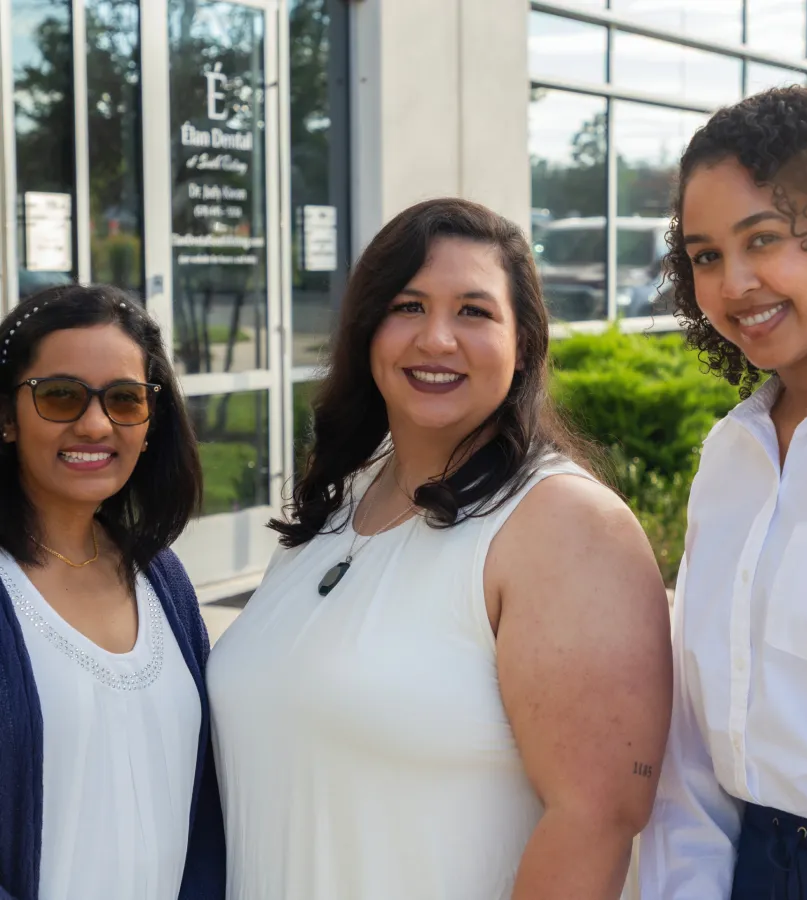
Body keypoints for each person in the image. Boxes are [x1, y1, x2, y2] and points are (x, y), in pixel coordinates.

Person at [207, 197, 673, 899]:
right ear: (368, 331)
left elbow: (597, 820)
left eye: (474, 312)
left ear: (524, 346)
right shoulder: (345, 496)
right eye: (408, 306)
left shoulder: (564, 525)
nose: (437, 339)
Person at [638, 84, 807, 900]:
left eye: (766, 239)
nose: (735, 282)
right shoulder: (729, 456)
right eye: (706, 255)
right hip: (741, 864)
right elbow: (693, 723)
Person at [0, 284, 225, 899]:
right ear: (6, 417)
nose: (95, 423)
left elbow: (203, 807)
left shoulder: (162, 579)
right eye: (61, 396)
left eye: (125, 400)